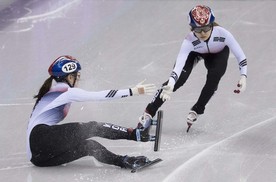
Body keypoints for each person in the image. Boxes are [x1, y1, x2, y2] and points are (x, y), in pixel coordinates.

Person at [27, 55, 157, 169]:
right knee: (91, 127)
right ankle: (136, 134)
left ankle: (125, 161)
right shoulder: (66, 91)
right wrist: (133, 91)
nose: (78, 80)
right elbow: (100, 96)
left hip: (38, 158)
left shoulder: (53, 92)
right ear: (69, 77)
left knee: (89, 146)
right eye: (76, 76)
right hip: (40, 137)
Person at [136, 5, 247, 133]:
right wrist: (171, 83)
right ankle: (150, 111)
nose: (203, 33)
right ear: (191, 28)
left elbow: (240, 55)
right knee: (179, 80)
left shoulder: (223, 34)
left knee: (214, 77)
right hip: (195, 53)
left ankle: (197, 109)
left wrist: (243, 75)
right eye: (198, 30)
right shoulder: (189, 40)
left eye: (206, 28)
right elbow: (178, 67)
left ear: (211, 25)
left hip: (218, 54)